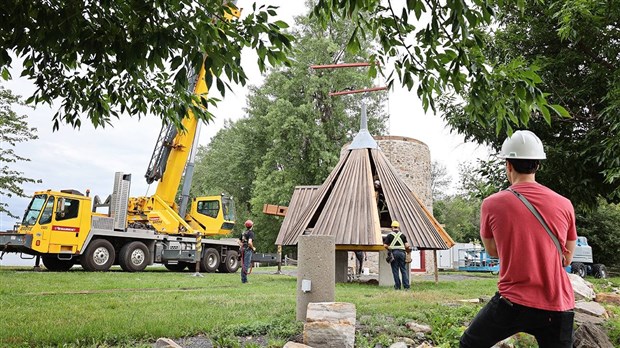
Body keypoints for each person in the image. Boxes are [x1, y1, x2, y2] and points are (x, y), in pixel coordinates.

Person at [460, 130, 577, 348]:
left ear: (508, 165)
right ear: (538, 165)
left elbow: (493, 251)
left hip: (512, 303)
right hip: (557, 303)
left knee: (470, 343)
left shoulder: (492, 204)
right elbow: (567, 258)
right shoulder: (564, 204)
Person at [384, 220, 411, 290]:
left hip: (394, 253)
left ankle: (397, 287)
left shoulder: (389, 235)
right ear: (398, 227)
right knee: (403, 270)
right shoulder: (402, 235)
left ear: (392, 227)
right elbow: (407, 245)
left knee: (395, 270)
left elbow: (385, 245)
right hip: (402, 253)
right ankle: (406, 287)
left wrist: (389, 248)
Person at [238, 219, 256, 284]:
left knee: (243, 265)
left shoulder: (243, 233)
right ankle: (244, 281)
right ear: (252, 226)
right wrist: (253, 248)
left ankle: (243, 279)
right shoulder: (251, 233)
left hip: (242, 250)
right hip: (248, 250)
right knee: (246, 265)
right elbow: (250, 242)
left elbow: (239, 241)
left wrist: (242, 246)